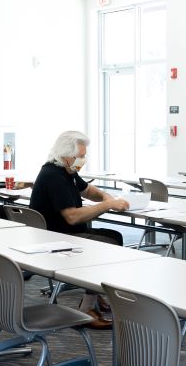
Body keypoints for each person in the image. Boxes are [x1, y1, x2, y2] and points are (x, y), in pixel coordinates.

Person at [30, 130, 126, 328]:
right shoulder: (54, 176)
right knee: (108, 244)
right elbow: (72, 217)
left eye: (84, 155)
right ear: (66, 156)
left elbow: (87, 190)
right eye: (80, 156)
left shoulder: (67, 170)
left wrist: (106, 197)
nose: (83, 159)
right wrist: (107, 205)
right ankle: (87, 308)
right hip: (56, 237)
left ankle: (95, 294)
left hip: (62, 232)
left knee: (114, 236)